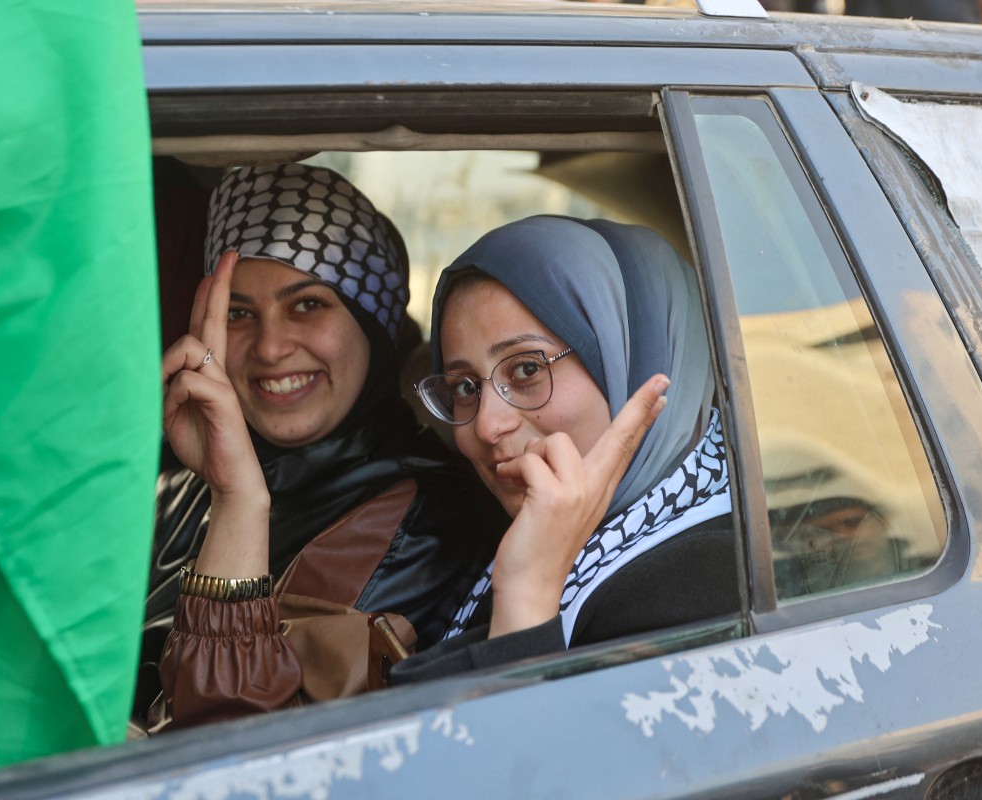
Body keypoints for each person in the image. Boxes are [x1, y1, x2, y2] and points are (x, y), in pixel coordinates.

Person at [137, 163, 506, 727]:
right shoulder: (182, 483)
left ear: (372, 323)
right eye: (238, 312)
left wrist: (238, 504)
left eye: (307, 304)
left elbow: (241, 750)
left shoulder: (430, 522)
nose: (270, 347)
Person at [392, 215, 742, 679]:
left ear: (632, 363)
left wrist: (528, 589)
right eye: (464, 388)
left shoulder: (698, 582)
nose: (486, 426)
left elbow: (518, 749)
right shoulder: (503, 532)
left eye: (525, 370)